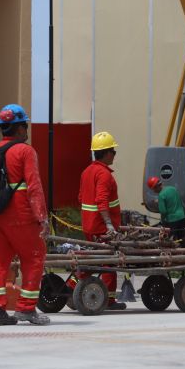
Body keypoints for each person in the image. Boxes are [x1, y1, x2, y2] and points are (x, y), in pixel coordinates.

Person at [0, 103, 50, 326]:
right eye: (25, 126)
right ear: (19, 128)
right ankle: (26, 309)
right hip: (21, 217)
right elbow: (34, 187)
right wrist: (42, 217)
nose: (27, 130)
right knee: (34, 258)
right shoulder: (25, 151)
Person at [66, 131, 126, 310]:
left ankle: (71, 287)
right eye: (113, 151)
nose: (115, 154)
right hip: (101, 227)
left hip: (89, 225)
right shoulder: (104, 175)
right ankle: (109, 301)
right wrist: (108, 224)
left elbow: (80, 197)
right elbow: (101, 201)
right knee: (109, 262)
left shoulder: (87, 172)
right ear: (106, 153)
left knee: (92, 261)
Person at [147, 176, 185, 244]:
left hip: (172, 220)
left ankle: (174, 254)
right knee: (181, 239)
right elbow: (173, 200)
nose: (154, 191)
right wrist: (160, 201)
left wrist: (162, 221)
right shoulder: (173, 188)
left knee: (171, 241)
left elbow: (163, 211)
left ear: (156, 187)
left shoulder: (161, 195)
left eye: (153, 189)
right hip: (182, 217)